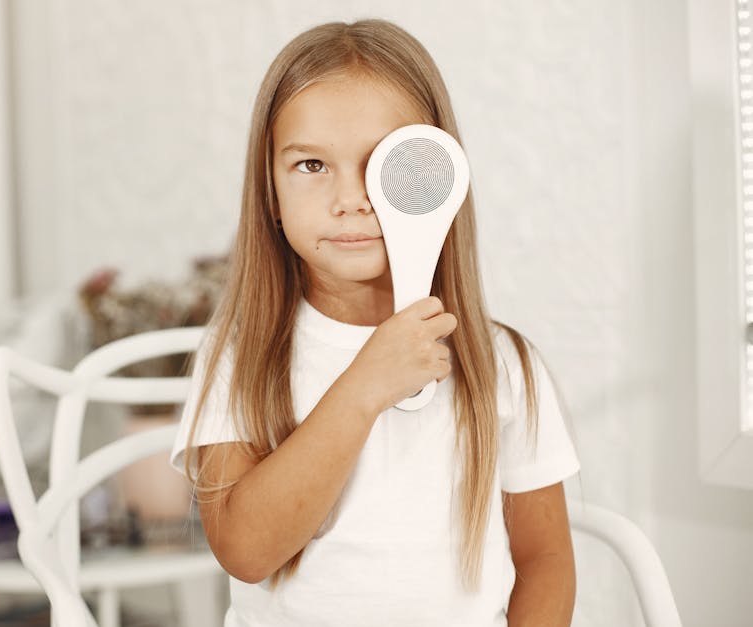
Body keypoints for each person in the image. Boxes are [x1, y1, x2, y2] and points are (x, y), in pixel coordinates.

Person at [170, 18, 580, 627]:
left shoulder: (504, 363)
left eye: (384, 164)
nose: (351, 199)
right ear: (269, 191)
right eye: (311, 165)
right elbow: (246, 551)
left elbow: (545, 560)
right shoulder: (239, 358)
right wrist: (364, 387)